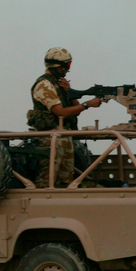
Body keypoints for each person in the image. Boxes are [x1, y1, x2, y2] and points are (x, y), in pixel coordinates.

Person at [27, 47, 102, 187]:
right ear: (57, 66)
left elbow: (75, 109)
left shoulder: (58, 83)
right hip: (50, 138)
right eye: (66, 66)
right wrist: (88, 104)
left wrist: (69, 91)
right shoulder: (44, 85)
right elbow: (61, 112)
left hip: (63, 136)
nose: (67, 70)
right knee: (48, 179)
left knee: (65, 180)